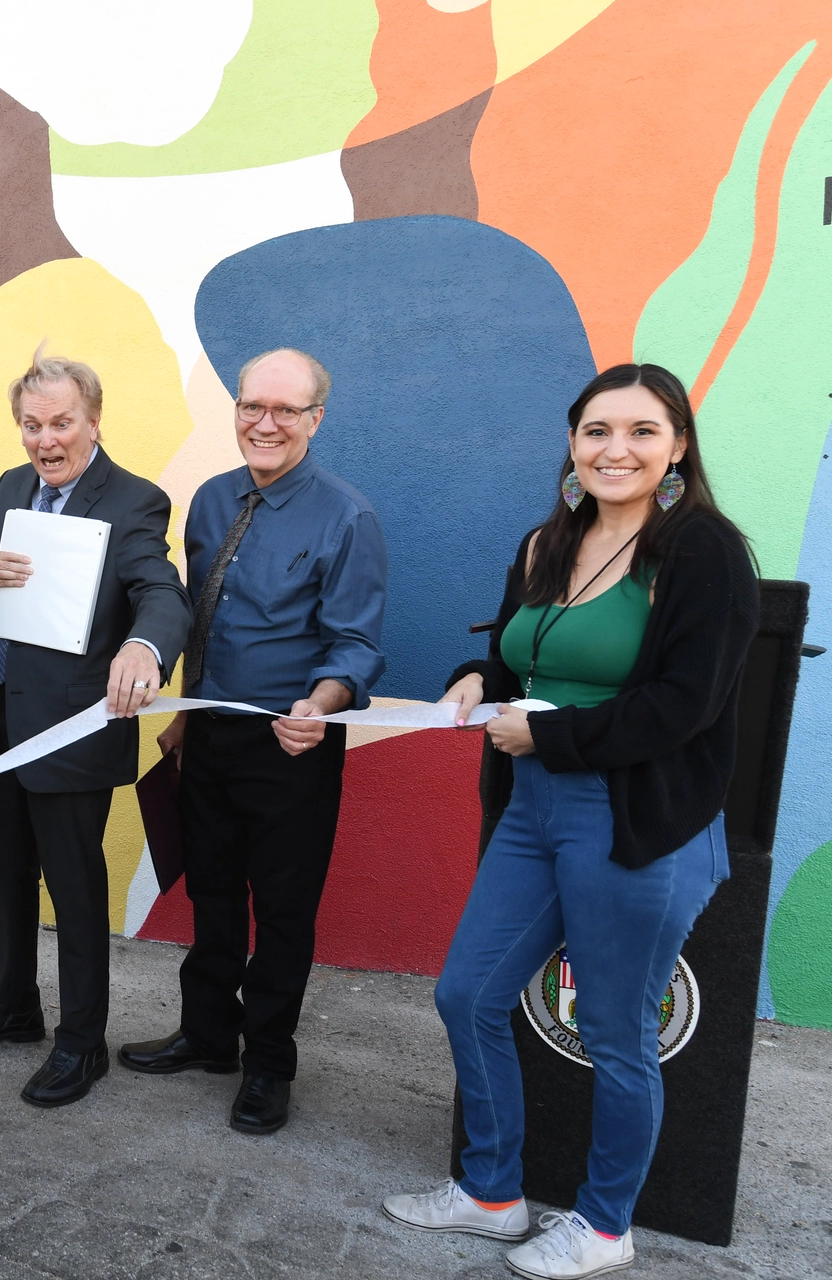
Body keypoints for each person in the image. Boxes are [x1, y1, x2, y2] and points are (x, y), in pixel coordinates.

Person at [384, 365, 757, 1280]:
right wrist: (476, 683)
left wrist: (547, 735)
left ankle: (604, 1224)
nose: (614, 450)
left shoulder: (706, 553)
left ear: (678, 444)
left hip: (635, 817)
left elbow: (686, 706)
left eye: (639, 431)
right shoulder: (549, 541)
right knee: (467, 994)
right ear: (573, 446)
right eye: (596, 432)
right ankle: (492, 1194)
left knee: (618, 1031)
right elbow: (518, 659)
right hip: (532, 809)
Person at [121, 347, 387, 1136]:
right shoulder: (208, 501)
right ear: (235, 410)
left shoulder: (347, 517)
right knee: (209, 894)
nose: (264, 424)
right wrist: (180, 715)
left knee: (282, 910)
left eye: (284, 411)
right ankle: (207, 1038)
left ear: (315, 420)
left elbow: (357, 644)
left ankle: (268, 1064)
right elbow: (199, 621)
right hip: (204, 738)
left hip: (290, 745)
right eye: (251, 407)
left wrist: (321, 703)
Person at [0, 350, 189, 1108]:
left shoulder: (135, 500)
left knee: (74, 892)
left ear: (94, 420)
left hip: (73, 730)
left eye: (62, 423)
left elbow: (160, 592)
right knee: (7, 875)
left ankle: (82, 1043)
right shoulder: (14, 486)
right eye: (32, 425)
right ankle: (11, 1006)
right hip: (1, 718)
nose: (46, 441)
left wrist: (145, 647)